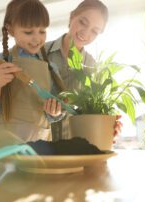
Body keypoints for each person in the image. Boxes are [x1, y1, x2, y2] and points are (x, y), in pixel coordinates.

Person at [0, 0, 64, 150]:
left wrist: (55, 111)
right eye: (28, 32)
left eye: (42, 31)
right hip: (5, 146)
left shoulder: (51, 68)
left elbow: (56, 112)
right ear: (10, 30)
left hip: (40, 146)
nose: (37, 39)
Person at [45, 0, 122, 140]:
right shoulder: (40, 52)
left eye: (95, 31)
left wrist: (107, 123)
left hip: (74, 144)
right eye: (83, 22)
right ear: (71, 17)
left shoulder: (94, 68)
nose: (86, 33)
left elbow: (90, 112)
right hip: (38, 143)